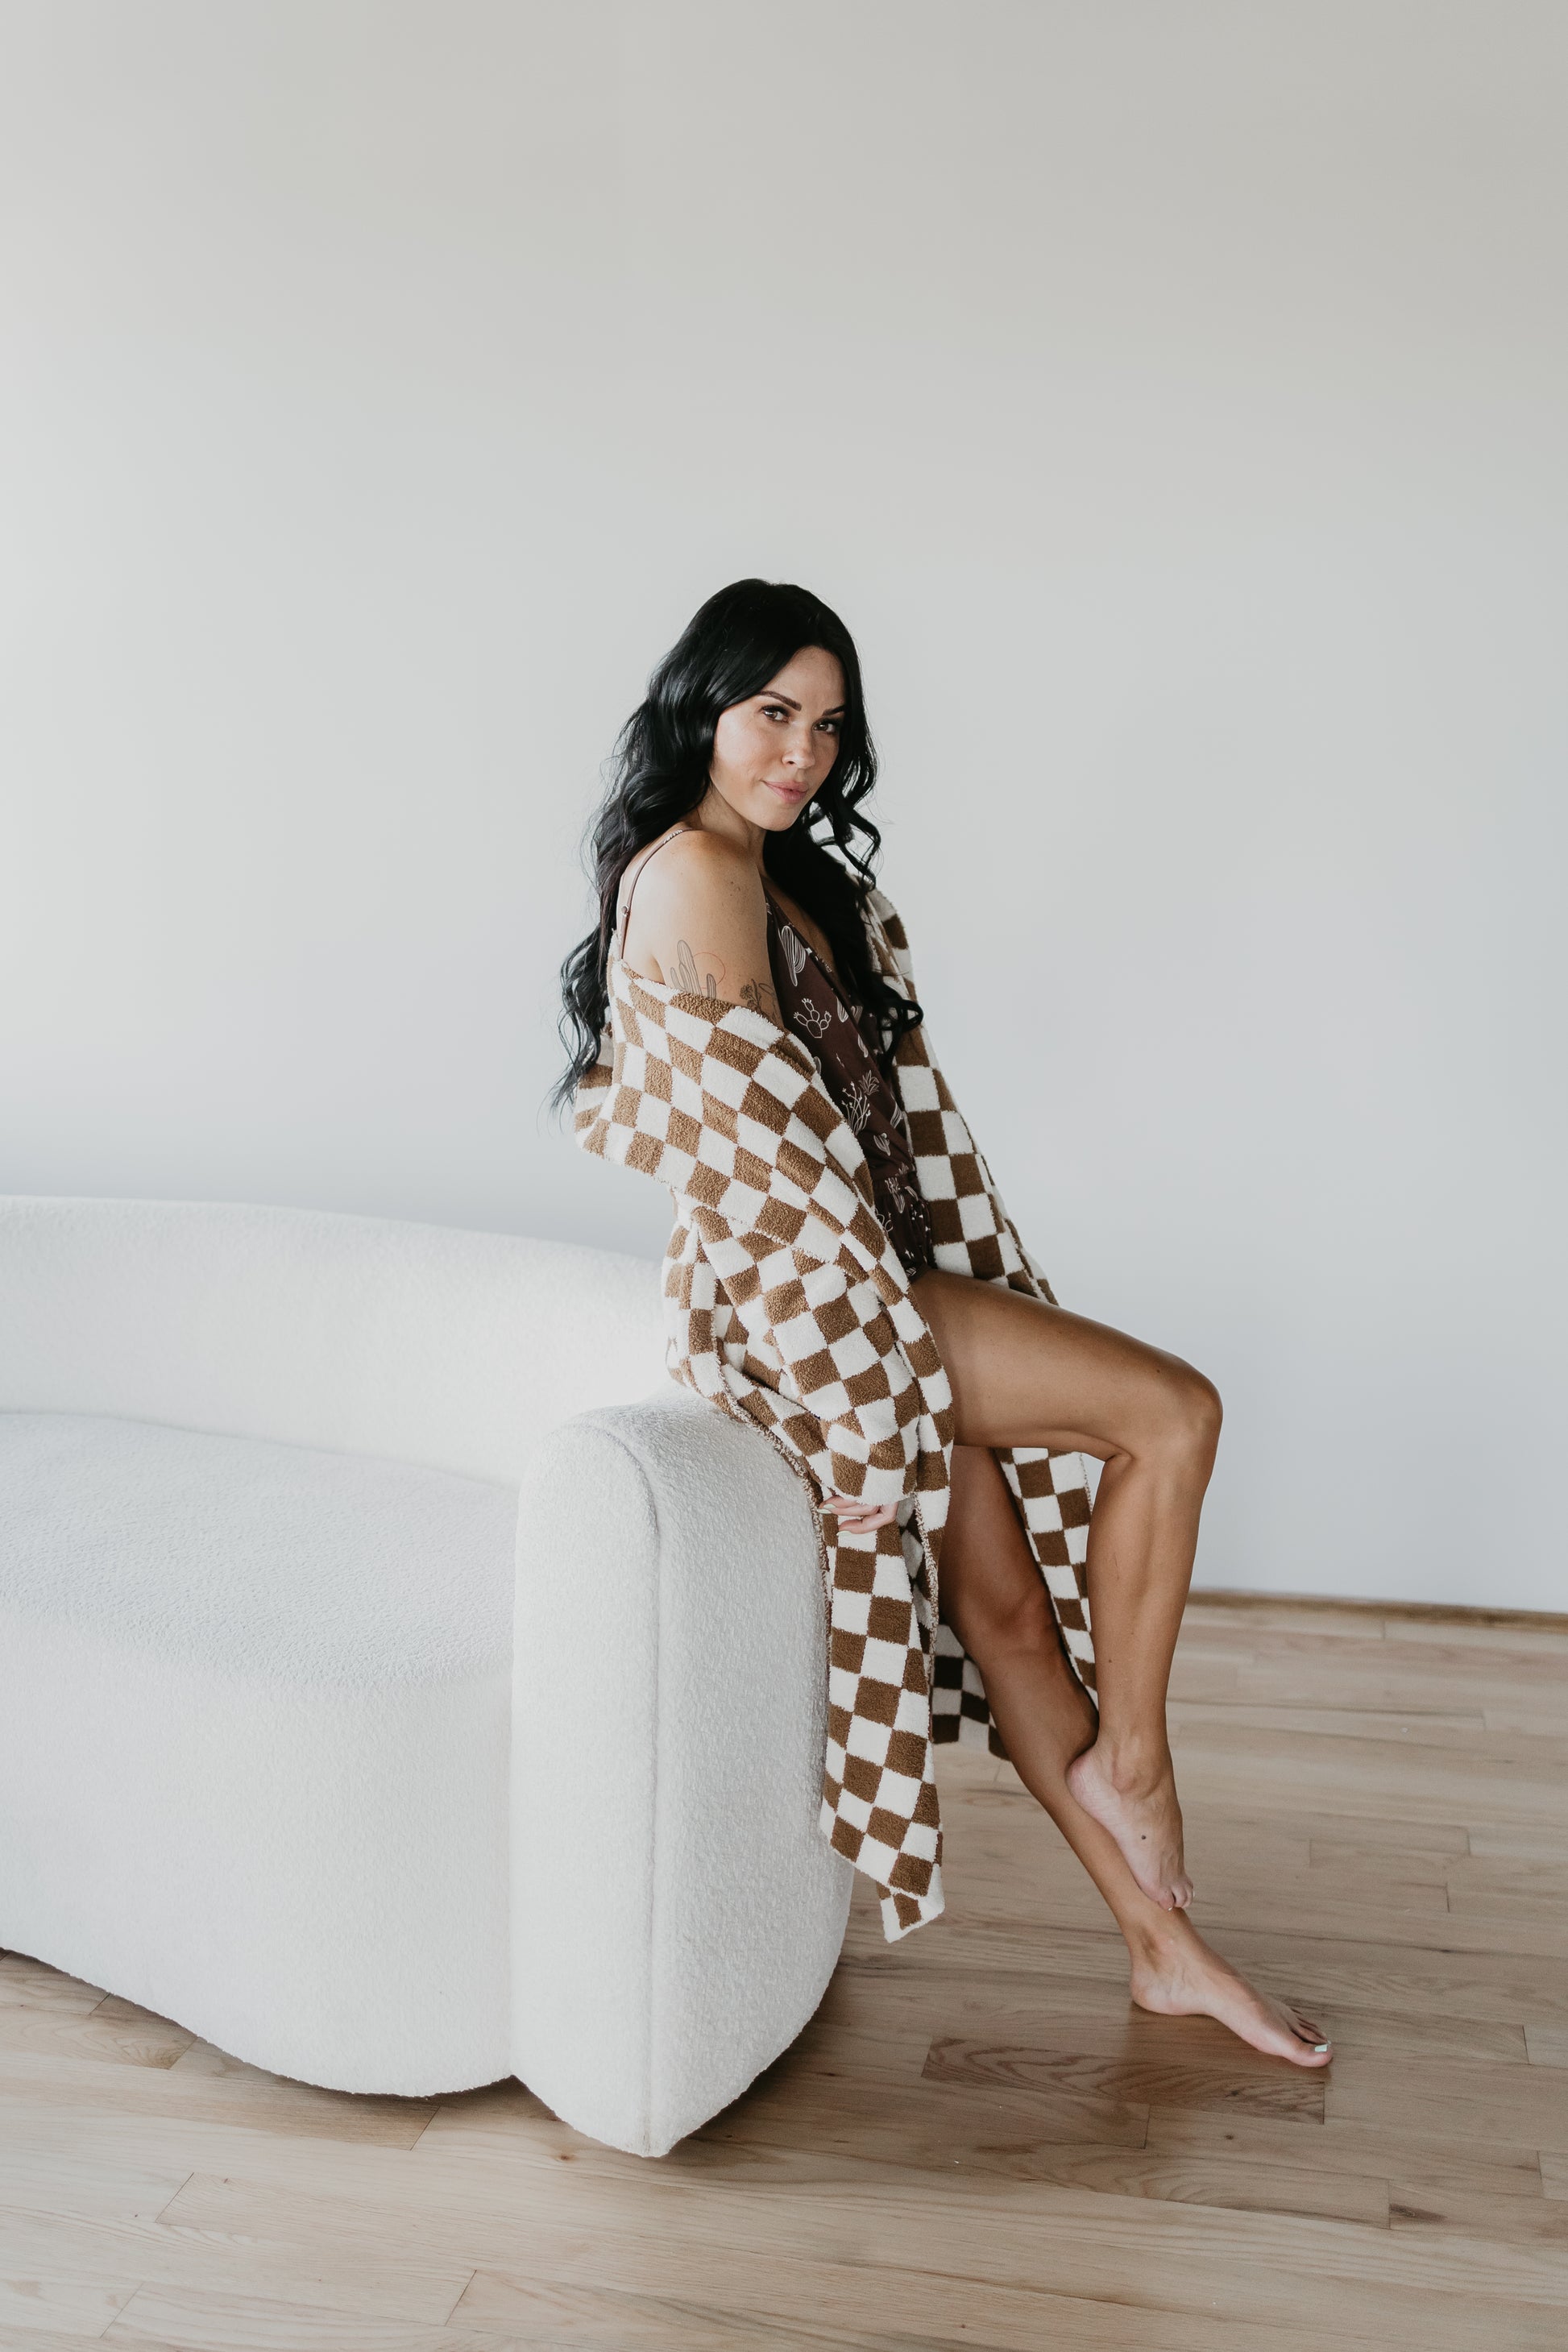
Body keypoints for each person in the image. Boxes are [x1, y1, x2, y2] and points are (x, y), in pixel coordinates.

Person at [554, 578, 1331, 2068]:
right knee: (1172, 1414)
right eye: (771, 713)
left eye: (827, 724)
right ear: (699, 710)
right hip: (819, 1308)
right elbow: (761, 1184)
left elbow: (879, 1133)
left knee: (1008, 1619)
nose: (801, 753)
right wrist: (856, 1409)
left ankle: (1166, 1957)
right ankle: (1142, 1764)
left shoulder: (792, 876)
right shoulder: (693, 873)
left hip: (880, 1276)